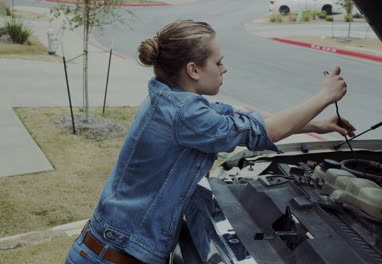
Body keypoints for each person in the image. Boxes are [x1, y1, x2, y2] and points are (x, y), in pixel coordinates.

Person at [65, 19, 355, 264]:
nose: (224, 68)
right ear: (193, 70)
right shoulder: (183, 113)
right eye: (218, 62)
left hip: (105, 250)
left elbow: (246, 119)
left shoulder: (174, 100)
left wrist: (318, 124)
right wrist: (324, 96)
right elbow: (260, 131)